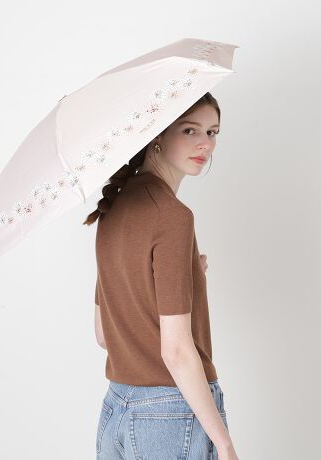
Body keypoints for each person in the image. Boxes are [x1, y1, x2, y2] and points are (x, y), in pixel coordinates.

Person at [83, 92, 239, 460]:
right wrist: (224, 443)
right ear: (158, 134)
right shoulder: (172, 216)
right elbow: (176, 351)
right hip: (169, 416)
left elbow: (104, 335)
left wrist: (187, 274)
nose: (205, 144)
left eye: (212, 132)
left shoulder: (114, 207)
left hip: (116, 409)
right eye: (189, 130)